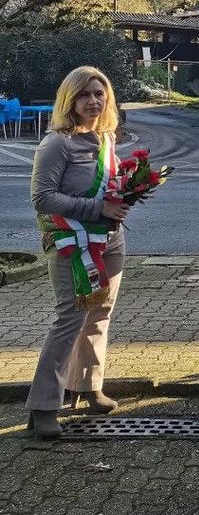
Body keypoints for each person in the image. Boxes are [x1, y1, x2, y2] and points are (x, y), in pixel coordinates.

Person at [26, 66, 132, 439]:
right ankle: (43, 406)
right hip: (70, 243)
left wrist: (127, 192)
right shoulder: (57, 143)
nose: (93, 101)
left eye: (99, 94)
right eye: (84, 94)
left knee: (99, 315)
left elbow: (107, 188)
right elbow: (42, 198)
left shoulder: (105, 139)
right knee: (69, 320)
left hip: (109, 241)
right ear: (70, 100)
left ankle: (88, 385)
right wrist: (98, 208)